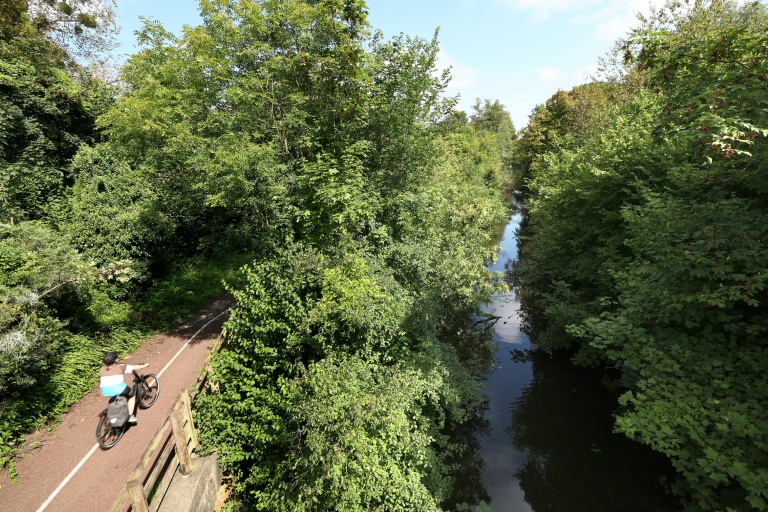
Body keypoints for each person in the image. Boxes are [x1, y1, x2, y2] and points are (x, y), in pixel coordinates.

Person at [100, 351, 150, 424]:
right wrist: (145, 365)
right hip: (118, 389)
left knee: (115, 395)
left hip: (104, 390)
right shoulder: (121, 367)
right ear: (115, 360)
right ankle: (130, 416)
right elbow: (134, 367)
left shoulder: (102, 369)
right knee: (132, 395)